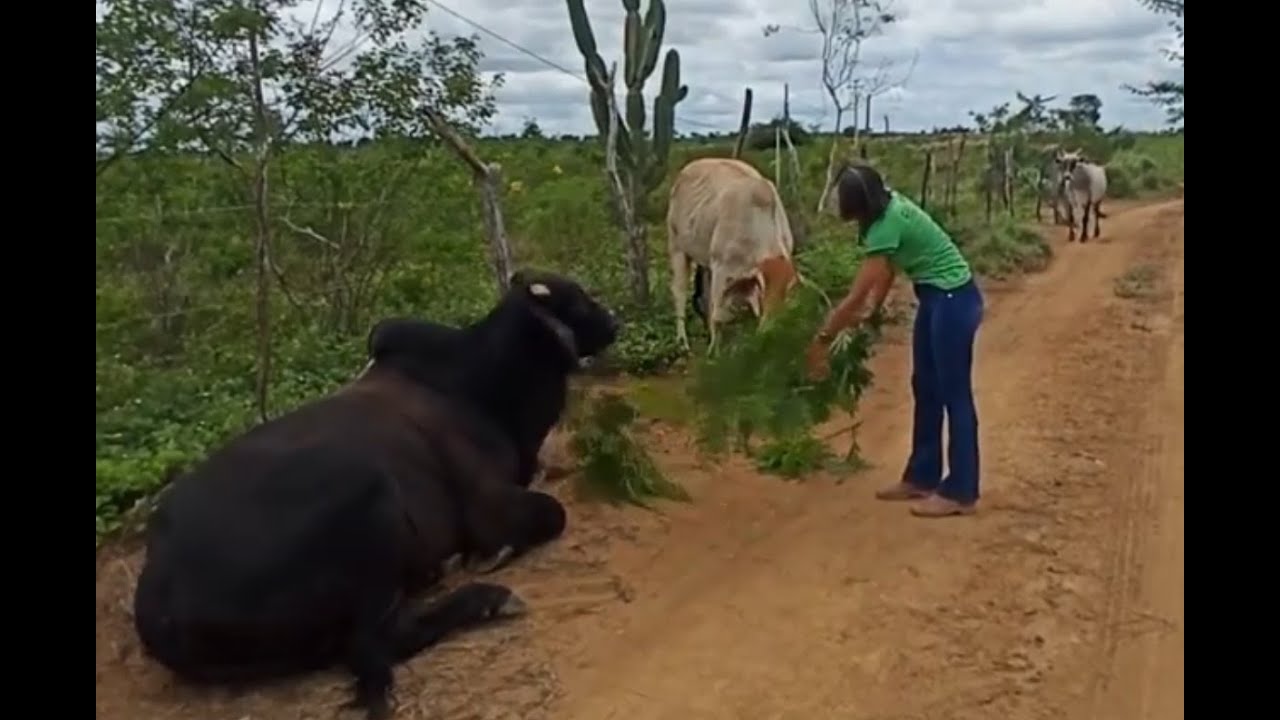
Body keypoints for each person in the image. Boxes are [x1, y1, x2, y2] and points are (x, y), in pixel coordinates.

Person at [805, 163, 985, 517]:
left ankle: (961, 491)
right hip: (939, 298)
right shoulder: (885, 212)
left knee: (954, 395)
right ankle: (922, 476)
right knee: (926, 387)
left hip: (953, 299)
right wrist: (876, 310)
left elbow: (858, 292)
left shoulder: (888, 223)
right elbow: (887, 269)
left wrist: (824, 337)